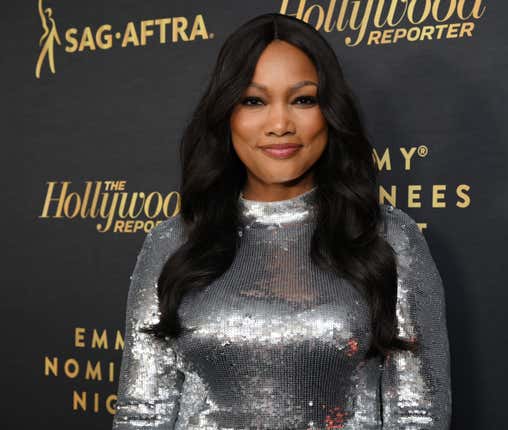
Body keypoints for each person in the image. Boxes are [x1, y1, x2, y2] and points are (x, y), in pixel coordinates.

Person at [112, 12, 451, 430]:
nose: (279, 125)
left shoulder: (388, 239)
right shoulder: (174, 242)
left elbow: (417, 416)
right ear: (227, 115)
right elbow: (142, 412)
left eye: (303, 99)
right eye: (254, 101)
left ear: (329, 112)